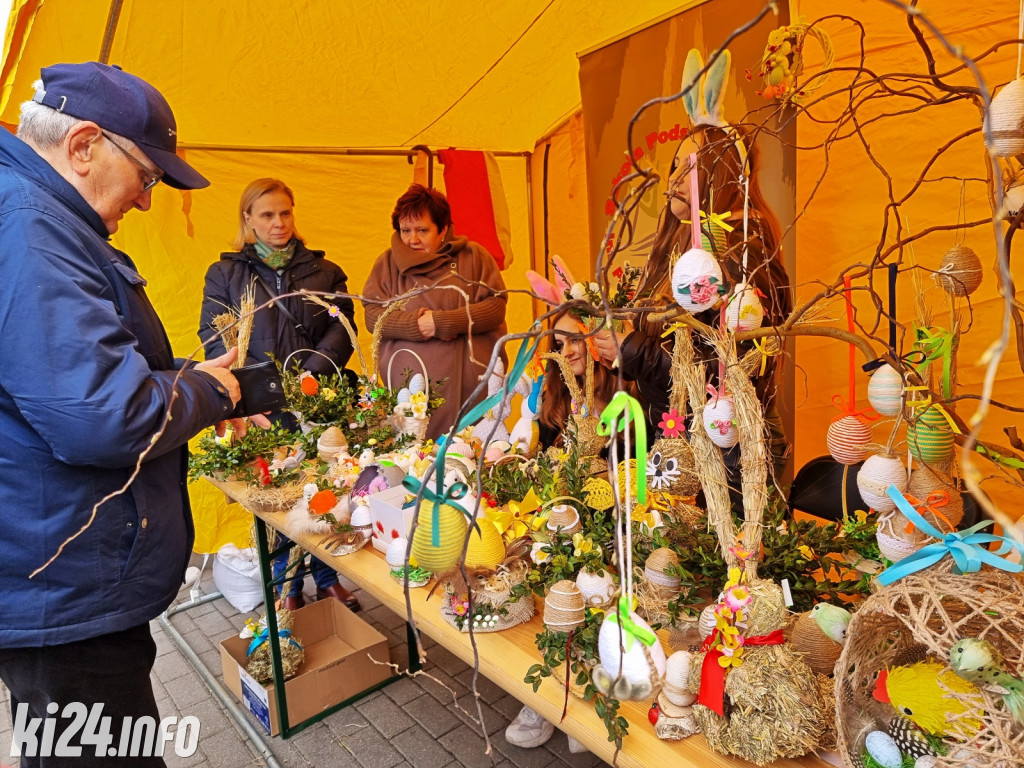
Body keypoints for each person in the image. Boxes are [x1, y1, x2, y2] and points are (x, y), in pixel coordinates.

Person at [0, 62, 253, 767]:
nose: (146, 200)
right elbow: (101, 417)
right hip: (63, 589)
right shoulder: (28, 228)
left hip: (61, 572)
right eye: (146, 175)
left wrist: (178, 380)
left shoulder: (36, 218)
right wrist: (209, 392)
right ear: (83, 145)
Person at [199, 178, 360, 612]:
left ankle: (326, 578)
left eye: (285, 213)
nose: (278, 223)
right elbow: (215, 338)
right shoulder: (227, 274)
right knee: (277, 494)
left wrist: (309, 376)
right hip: (260, 408)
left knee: (325, 490)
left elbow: (342, 329)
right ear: (247, 218)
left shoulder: (323, 271)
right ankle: (286, 586)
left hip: (316, 399)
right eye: (266, 215)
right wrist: (244, 397)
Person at [363, 184, 507, 440]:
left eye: (422, 230)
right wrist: (416, 325)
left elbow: (495, 307)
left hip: (470, 389)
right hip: (409, 390)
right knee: (414, 460)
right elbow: (373, 317)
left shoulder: (474, 257)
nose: (412, 239)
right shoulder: (387, 264)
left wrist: (442, 322)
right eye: (405, 231)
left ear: (443, 229)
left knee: (471, 459)